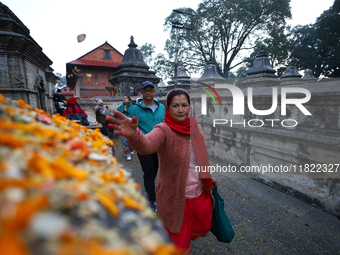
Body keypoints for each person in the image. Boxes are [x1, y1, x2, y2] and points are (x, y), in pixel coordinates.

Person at [106, 88, 217, 253]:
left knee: (191, 232)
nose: (180, 110)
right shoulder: (164, 129)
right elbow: (147, 144)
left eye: (184, 105)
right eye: (175, 105)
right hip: (176, 199)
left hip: (200, 194)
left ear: (190, 107)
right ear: (168, 108)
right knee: (180, 246)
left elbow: (199, 159)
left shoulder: (195, 126)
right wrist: (134, 135)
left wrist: (208, 177)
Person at [129, 81, 165, 212]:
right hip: (144, 146)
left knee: (161, 172)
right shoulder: (135, 109)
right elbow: (132, 127)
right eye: (146, 90)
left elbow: (167, 124)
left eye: (151, 90)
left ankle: (162, 196)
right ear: (142, 92)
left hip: (161, 146)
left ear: (154, 92)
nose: (148, 92)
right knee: (149, 173)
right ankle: (152, 200)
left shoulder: (162, 108)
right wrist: (129, 143)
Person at [116, 95, 135, 161]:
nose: (124, 99)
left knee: (131, 139)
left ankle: (131, 149)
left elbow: (133, 116)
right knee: (123, 139)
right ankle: (127, 154)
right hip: (122, 125)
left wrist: (127, 111)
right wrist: (123, 112)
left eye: (126, 98)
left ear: (129, 100)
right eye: (123, 98)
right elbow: (116, 114)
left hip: (130, 125)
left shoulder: (133, 107)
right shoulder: (120, 107)